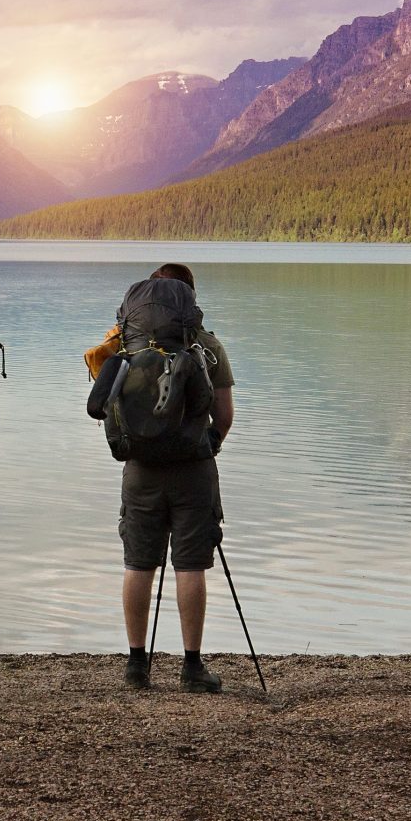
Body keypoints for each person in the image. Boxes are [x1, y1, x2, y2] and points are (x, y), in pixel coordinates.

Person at [83, 262, 237, 693]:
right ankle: (192, 667)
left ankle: (136, 666)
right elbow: (223, 417)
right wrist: (206, 445)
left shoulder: (123, 347)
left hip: (140, 469)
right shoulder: (206, 347)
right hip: (194, 468)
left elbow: (107, 407)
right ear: (190, 301)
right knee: (191, 564)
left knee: (138, 563)